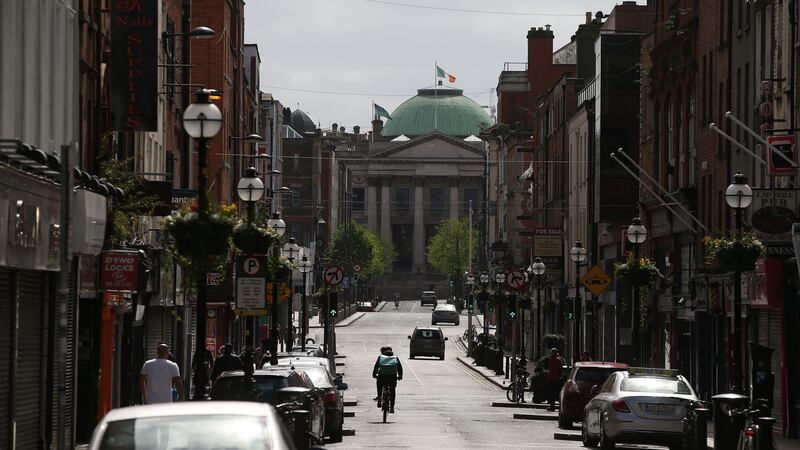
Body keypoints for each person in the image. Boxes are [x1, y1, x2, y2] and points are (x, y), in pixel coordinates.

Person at [372, 346, 403, 413]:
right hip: (392, 377)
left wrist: (374, 374)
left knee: (379, 385)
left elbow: (376, 366)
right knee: (392, 391)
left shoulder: (381, 357)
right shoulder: (395, 358)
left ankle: (379, 397)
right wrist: (400, 376)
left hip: (382, 377)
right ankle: (392, 407)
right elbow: (399, 368)